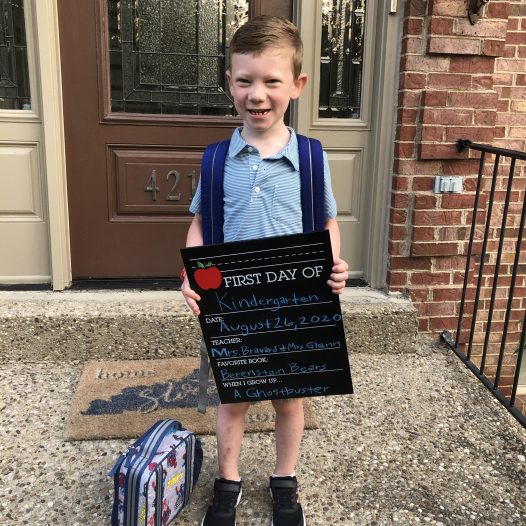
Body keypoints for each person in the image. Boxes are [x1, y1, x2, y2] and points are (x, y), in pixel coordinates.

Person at [181, 15, 349, 526]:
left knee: (288, 400)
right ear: (229, 82)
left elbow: (326, 223)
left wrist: (333, 267)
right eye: (245, 80)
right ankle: (228, 480)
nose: (257, 94)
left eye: (272, 81)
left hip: (293, 307)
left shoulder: (311, 158)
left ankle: (284, 479)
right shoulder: (216, 161)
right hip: (232, 306)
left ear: (297, 85)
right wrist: (190, 274)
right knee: (233, 398)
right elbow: (200, 224)